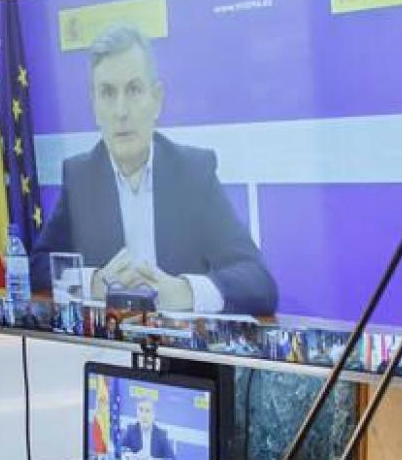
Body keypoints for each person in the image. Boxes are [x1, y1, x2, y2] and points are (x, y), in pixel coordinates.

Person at [33, 24, 278, 316]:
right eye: (108, 93)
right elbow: (38, 268)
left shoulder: (193, 173)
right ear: (94, 106)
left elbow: (259, 281)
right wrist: (93, 283)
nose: (121, 111)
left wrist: (185, 291)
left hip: (182, 356)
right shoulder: (81, 176)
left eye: (134, 90)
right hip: (109, 351)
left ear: (157, 99)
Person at [118, 392, 179, 460]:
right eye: (141, 410)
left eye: (147, 411)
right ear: (137, 413)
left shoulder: (161, 435)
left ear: (154, 414)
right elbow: (118, 450)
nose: (144, 415)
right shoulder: (131, 430)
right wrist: (131, 456)